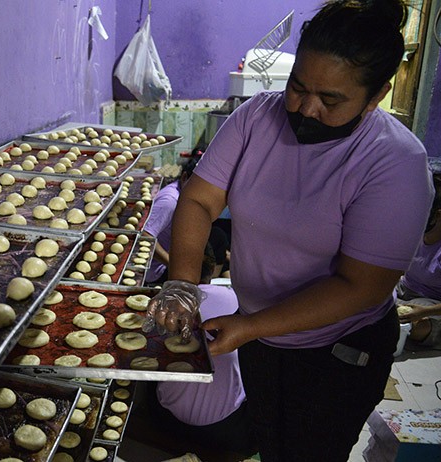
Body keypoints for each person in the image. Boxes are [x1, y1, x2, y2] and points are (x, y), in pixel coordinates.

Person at [146, 1, 434, 460]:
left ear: (377, 94)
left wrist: (252, 325)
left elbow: (360, 287)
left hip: (337, 352)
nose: (306, 108)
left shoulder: (395, 163)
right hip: (262, 336)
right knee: (271, 441)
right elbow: (199, 199)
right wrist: (182, 281)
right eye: (297, 87)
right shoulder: (256, 119)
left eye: (332, 100)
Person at [153, 245, 256, 457]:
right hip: (224, 428)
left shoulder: (160, 303)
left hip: (167, 418)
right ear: (213, 271)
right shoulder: (234, 298)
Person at [143, 156, 229, 284]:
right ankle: (204, 284)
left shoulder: (183, 194)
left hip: (174, 252)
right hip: (159, 270)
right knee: (218, 238)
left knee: (216, 236)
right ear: (184, 177)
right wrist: (173, 264)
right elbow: (145, 236)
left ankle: (210, 282)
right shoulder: (170, 201)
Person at [397, 171, 441, 347]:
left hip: (431, 302)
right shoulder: (414, 234)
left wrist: (424, 312)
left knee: (417, 327)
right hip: (405, 289)